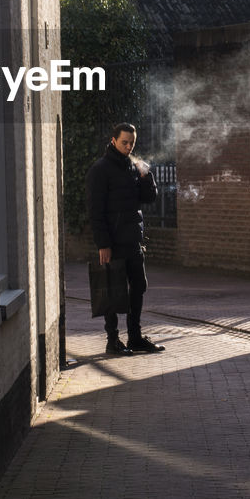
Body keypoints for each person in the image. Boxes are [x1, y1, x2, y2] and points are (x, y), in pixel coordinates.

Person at [87, 122, 164, 355]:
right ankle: (113, 341)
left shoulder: (132, 167)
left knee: (139, 285)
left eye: (132, 142)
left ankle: (135, 337)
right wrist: (103, 244)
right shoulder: (100, 170)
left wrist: (146, 174)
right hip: (113, 241)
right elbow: (95, 211)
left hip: (132, 239)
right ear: (113, 141)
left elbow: (149, 198)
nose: (129, 146)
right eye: (124, 142)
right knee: (112, 289)